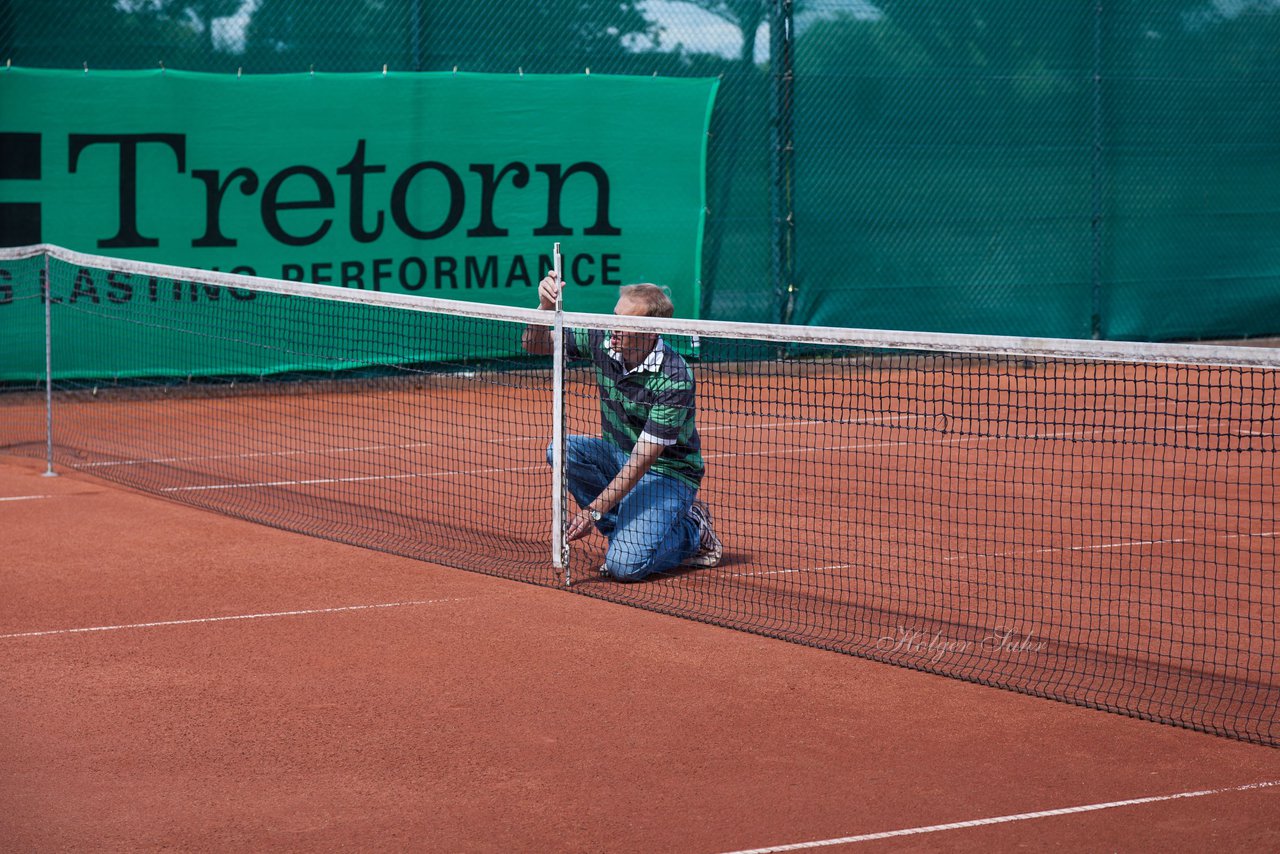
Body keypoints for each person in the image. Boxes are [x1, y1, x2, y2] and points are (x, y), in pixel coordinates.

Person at [521, 272, 722, 581]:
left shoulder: (674, 377)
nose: (613, 327)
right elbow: (534, 346)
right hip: (618, 455)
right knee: (561, 450)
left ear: (651, 331)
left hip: (667, 473)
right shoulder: (603, 340)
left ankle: (692, 529)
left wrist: (593, 511)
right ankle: (627, 532)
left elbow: (643, 460)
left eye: (624, 323)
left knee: (625, 567)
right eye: (614, 316)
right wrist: (544, 307)